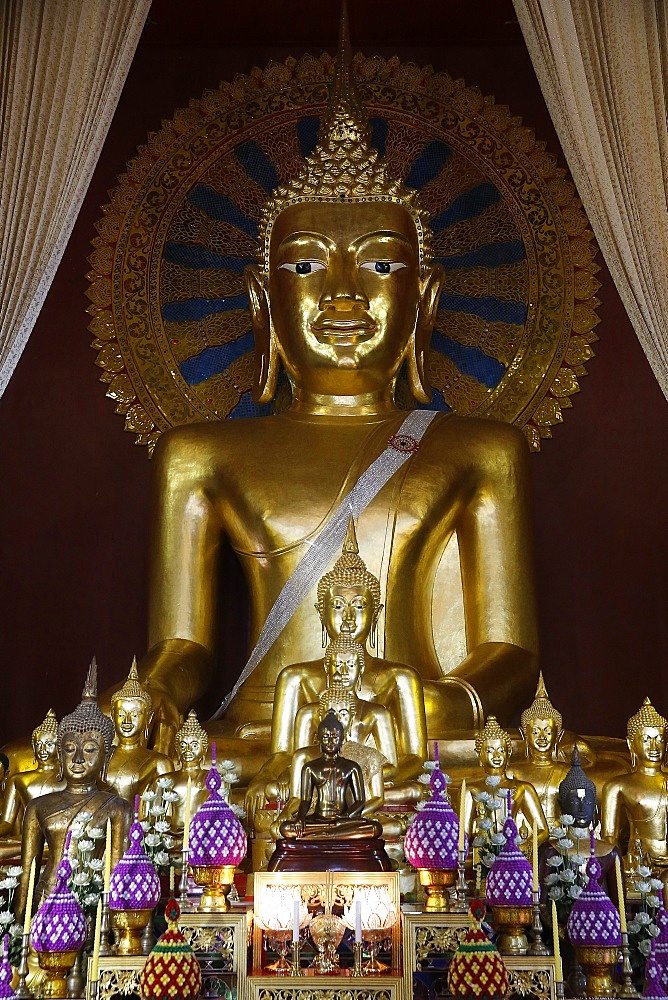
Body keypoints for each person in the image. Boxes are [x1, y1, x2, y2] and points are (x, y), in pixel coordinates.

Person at [132, 25, 537, 762]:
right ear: (261, 303)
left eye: (382, 267)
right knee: (55, 766)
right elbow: (182, 643)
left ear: (426, 302)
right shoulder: (199, 455)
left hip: (417, 739)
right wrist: (154, 694)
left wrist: (429, 701)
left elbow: (509, 652)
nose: (345, 297)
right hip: (263, 739)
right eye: (305, 267)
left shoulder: (482, 450)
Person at [15, 662, 132, 919]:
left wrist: (114, 925)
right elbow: (27, 871)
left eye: (90, 750)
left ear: (107, 757)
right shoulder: (38, 806)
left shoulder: (117, 807)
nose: (78, 758)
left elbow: (116, 872)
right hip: (46, 901)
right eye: (69, 749)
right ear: (59, 754)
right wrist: (15, 929)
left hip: (91, 904)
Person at [278, 710, 382, 841]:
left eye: (335, 737)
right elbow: (305, 800)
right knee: (286, 828)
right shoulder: (310, 767)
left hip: (343, 819)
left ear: (342, 739)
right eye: (326, 737)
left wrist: (346, 816)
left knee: (375, 828)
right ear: (319, 739)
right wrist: (300, 818)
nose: (330, 742)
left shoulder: (352, 767)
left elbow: (360, 801)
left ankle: (319, 836)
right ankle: (331, 834)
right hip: (318, 819)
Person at [601, 697, 668, 868]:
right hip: (639, 866)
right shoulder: (618, 786)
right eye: (646, 739)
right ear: (631, 744)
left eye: (659, 739)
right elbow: (609, 838)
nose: (654, 747)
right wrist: (620, 866)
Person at [462, 715, 549, 846]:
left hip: (513, 849)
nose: (497, 756)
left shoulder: (522, 788)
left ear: (508, 754)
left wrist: (524, 847)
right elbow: (463, 835)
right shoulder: (471, 790)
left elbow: (543, 831)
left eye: (501, 750)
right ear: (478, 754)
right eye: (490, 751)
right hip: (483, 850)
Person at [105, 658, 173, 803]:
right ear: (113, 716)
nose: (127, 721)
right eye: (121, 714)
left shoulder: (159, 762)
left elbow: (163, 811)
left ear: (147, 719)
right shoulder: (101, 757)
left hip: (139, 824)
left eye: (134, 715)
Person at [0, 710, 64, 861]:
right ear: (33, 748)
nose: (43, 750)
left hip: (60, 839)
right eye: (39, 744)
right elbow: (7, 823)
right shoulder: (18, 780)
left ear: (60, 746)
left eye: (49, 744)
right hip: (26, 840)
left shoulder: (69, 779)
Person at [511, 674, 569, 825]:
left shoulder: (566, 772)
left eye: (548, 732)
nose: (542, 737)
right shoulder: (512, 773)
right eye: (536, 732)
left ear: (558, 736)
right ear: (525, 734)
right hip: (519, 837)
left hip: (557, 841)